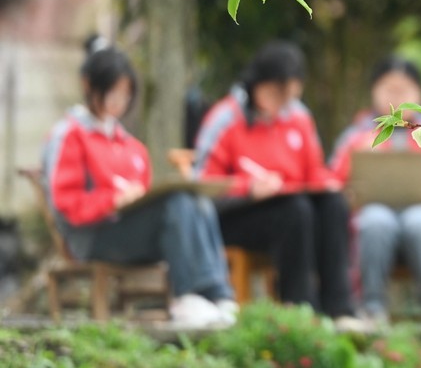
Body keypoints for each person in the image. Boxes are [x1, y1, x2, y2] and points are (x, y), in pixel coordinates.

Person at [42, 44, 236, 328]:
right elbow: (66, 203)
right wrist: (112, 200)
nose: (118, 102)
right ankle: (189, 297)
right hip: (92, 238)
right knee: (177, 203)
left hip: (129, 233)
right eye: (112, 92)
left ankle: (219, 296)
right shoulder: (70, 136)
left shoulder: (132, 147)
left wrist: (135, 200)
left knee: (196, 201)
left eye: (126, 94)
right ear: (89, 86)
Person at [193, 40, 356, 322]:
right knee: (296, 211)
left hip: (291, 208)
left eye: (289, 97)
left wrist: (329, 183)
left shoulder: (298, 116)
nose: (281, 104)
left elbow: (313, 171)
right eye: (275, 94)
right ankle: (301, 309)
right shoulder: (225, 118)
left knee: (332, 205)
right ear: (256, 84)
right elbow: (203, 185)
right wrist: (248, 189)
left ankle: (340, 309)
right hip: (236, 216)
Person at [328, 57, 421, 332]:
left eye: (404, 89)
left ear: (420, 94)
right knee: (374, 222)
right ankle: (369, 310)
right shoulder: (356, 136)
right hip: (370, 222)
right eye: (388, 88)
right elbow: (330, 186)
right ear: (373, 91)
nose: (396, 96)